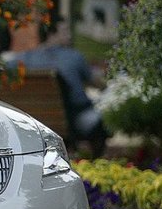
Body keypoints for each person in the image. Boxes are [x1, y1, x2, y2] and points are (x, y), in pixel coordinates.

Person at [11, 23, 109, 157]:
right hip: (73, 123)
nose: (68, 36)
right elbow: (96, 84)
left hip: (34, 124)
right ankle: (95, 162)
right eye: (64, 32)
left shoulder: (23, 59)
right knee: (102, 118)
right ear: (51, 34)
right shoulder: (74, 57)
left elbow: (1, 68)